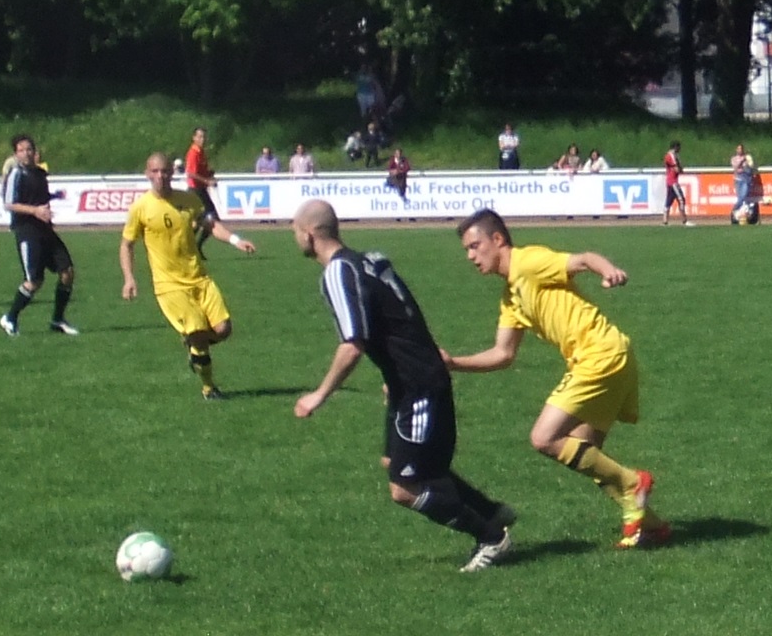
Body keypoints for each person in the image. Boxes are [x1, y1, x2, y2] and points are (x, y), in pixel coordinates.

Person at [291, 199, 514, 572]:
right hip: (407, 382)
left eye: (295, 231)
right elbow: (403, 317)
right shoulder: (369, 259)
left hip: (418, 385)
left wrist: (319, 395)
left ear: (309, 234)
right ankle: (490, 511)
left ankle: (491, 536)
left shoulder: (338, 272)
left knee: (404, 488)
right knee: (399, 463)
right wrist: (393, 375)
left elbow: (352, 344)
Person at [441, 209, 670, 549]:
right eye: (466, 250)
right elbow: (503, 353)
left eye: (475, 246)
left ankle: (633, 483)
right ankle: (652, 526)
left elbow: (583, 259)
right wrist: (451, 363)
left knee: (544, 437)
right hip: (610, 355)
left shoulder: (528, 262)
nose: (471, 257)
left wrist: (608, 270)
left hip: (599, 354)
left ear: (498, 239)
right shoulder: (511, 296)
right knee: (587, 454)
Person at [120, 153, 256, 400]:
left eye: (165, 171)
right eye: (155, 171)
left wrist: (236, 240)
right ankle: (209, 388)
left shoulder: (188, 200)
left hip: (199, 278)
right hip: (169, 286)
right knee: (198, 332)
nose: (160, 176)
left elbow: (210, 224)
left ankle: (193, 347)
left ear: (172, 173)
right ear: (147, 174)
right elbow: (127, 245)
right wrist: (129, 278)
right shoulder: (141, 208)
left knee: (223, 329)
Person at [0, 134, 79, 337]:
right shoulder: (16, 174)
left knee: (67, 272)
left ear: (35, 152)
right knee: (34, 281)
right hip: (27, 231)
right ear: (16, 154)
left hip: (45, 230)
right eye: (21, 150)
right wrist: (35, 211)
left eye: (29, 149)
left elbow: (38, 197)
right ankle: (10, 318)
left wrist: (54, 196)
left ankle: (58, 319)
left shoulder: (40, 174)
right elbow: (9, 204)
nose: (26, 153)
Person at [185, 127, 219, 258]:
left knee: (201, 221)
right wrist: (207, 181)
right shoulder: (193, 153)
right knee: (211, 219)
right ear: (194, 138)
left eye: (204, 137)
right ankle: (192, 245)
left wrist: (209, 174)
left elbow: (200, 171)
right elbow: (191, 173)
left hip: (200, 190)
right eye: (199, 137)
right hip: (195, 191)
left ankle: (191, 246)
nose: (202, 139)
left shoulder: (201, 152)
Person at [664, 140, 694, 226]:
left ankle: (665, 221)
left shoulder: (671, 155)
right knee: (681, 199)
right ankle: (684, 220)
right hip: (673, 182)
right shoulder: (671, 156)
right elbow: (677, 169)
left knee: (669, 201)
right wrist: (680, 168)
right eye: (679, 147)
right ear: (676, 147)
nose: (680, 149)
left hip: (670, 181)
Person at [730, 143, 755, 214]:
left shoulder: (747, 157)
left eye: (741, 149)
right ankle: (738, 213)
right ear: (736, 150)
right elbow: (736, 167)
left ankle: (734, 210)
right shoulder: (734, 158)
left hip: (746, 180)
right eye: (738, 149)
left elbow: (750, 167)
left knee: (743, 196)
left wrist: (747, 163)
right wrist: (742, 161)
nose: (740, 150)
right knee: (740, 197)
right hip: (738, 179)